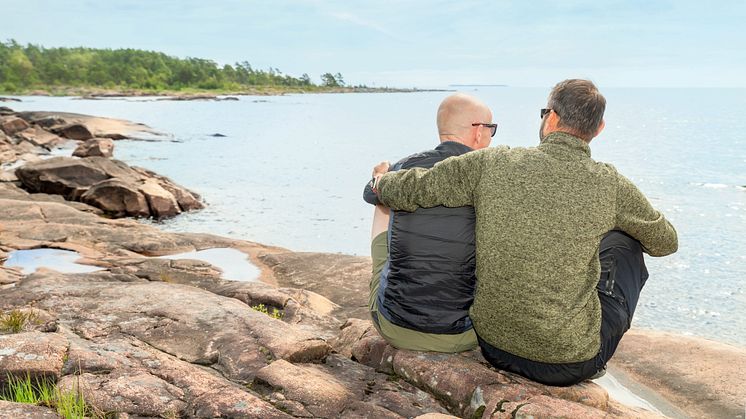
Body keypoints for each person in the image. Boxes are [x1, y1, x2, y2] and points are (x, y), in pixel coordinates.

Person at [370, 79, 678, 385]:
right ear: (599, 129)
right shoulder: (611, 185)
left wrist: (382, 180)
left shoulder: (493, 162)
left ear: (551, 118)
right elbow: (666, 242)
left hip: (494, 347)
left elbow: (415, 188)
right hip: (569, 363)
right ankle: (586, 348)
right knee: (624, 242)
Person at [365, 93, 495, 352]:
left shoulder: (405, 166)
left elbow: (370, 194)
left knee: (383, 204)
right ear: (478, 132)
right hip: (463, 334)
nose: (492, 136)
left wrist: (380, 175)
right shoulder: (488, 176)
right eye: (492, 129)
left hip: (394, 326)